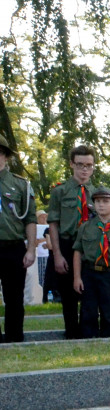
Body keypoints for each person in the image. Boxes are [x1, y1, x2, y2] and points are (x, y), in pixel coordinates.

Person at [47, 144, 96, 339]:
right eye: (80, 164)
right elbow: (53, 224)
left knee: (90, 292)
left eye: (89, 165)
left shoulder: (98, 193)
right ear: (71, 164)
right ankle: (71, 333)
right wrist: (57, 254)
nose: (85, 169)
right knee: (68, 294)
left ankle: (88, 332)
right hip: (67, 244)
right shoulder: (60, 191)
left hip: (91, 247)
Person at [72, 187, 110, 338]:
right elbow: (78, 252)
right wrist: (77, 277)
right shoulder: (85, 227)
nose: (101, 205)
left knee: (108, 312)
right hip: (89, 273)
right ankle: (88, 341)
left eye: (105, 201)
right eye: (97, 201)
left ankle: (107, 341)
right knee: (88, 311)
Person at [0, 133, 36, 343]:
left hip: (13, 247)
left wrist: (31, 249)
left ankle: (14, 338)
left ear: (5, 156)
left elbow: (30, 219)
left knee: (14, 297)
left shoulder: (21, 185)